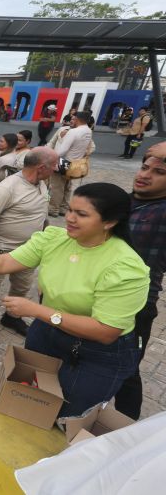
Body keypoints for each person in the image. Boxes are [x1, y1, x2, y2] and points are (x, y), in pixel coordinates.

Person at [0, 182, 149, 417]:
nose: (70, 218)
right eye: (70, 209)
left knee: (71, 413)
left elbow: (105, 331)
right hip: (48, 332)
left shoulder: (126, 267)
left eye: (81, 214)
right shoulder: (55, 238)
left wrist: (36, 310)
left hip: (97, 352)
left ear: (110, 222)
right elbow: (4, 262)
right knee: (32, 396)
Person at [0, 148, 58, 343]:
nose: (57, 169)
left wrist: (47, 232)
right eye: (54, 165)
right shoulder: (8, 187)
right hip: (1, 249)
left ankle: (11, 318)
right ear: (41, 167)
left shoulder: (43, 183)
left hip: (29, 249)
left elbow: (42, 213)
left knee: (22, 287)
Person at [114, 154, 166, 419]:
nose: (145, 175)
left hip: (137, 304)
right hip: (96, 295)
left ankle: (122, 428)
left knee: (127, 368)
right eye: (145, 167)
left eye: (160, 172)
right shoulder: (123, 201)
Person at [49, 111, 93, 217]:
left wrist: (50, 158)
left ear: (77, 119)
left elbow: (62, 150)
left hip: (64, 162)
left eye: (73, 118)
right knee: (67, 187)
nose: (72, 120)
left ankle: (53, 209)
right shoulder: (88, 131)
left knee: (57, 186)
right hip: (76, 164)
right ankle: (63, 208)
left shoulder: (74, 132)